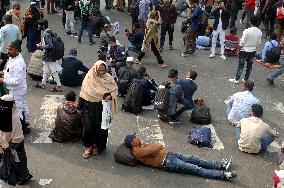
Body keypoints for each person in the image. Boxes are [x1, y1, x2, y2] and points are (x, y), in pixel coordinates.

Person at [124, 133, 237, 180]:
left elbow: (156, 148)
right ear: (132, 142)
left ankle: (221, 165)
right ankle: (223, 175)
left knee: (195, 159)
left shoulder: (141, 146)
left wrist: (158, 148)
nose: (137, 137)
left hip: (169, 155)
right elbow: (157, 146)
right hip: (167, 162)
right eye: (135, 137)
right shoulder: (137, 152)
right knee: (196, 169)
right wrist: (158, 147)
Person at [78, 60, 118, 158]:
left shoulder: (108, 78)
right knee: (88, 127)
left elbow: (114, 90)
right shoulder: (89, 77)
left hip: (101, 108)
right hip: (88, 107)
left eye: (103, 70)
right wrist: (79, 106)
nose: (101, 72)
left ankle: (97, 146)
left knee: (101, 129)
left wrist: (109, 96)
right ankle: (88, 146)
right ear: (95, 69)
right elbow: (83, 93)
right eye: (99, 70)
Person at [0, 94, 33, 185]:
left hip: (4, 144)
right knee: (19, 160)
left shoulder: (2, 113)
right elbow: (18, 137)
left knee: (11, 161)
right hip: (14, 144)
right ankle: (23, 176)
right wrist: (12, 146)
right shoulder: (14, 117)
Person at [0, 40, 30, 134]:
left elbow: (17, 81)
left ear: (17, 50)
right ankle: (25, 124)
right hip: (15, 89)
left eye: (10, 49)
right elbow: (9, 71)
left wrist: (3, 80)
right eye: (8, 48)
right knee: (22, 107)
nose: (8, 51)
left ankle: (21, 130)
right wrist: (2, 73)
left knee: (17, 111)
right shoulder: (12, 57)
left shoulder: (19, 63)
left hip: (17, 90)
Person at [229, 16, 262, 83]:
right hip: (252, 51)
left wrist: (238, 49)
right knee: (249, 66)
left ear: (250, 22)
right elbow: (259, 42)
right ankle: (246, 79)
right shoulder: (259, 31)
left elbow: (242, 42)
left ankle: (237, 79)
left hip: (244, 50)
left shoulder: (246, 31)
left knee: (241, 66)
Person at [35, 19, 63, 92]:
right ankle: (43, 83)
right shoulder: (49, 32)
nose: (38, 26)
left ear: (43, 26)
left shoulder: (46, 34)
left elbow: (50, 45)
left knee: (53, 71)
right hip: (49, 55)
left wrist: (42, 47)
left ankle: (59, 86)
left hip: (49, 55)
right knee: (46, 70)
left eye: (39, 25)